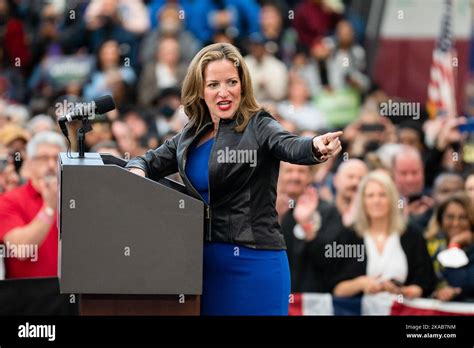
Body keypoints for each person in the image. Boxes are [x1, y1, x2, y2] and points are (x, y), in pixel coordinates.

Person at [126, 43, 343, 315]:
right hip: (204, 267)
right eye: (214, 84)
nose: (224, 92)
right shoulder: (190, 135)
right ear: (200, 90)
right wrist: (136, 173)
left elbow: (290, 145)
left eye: (232, 82)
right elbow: (146, 160)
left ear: (243, 85)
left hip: (256, 262)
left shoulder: (259, 125)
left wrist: (315, 146)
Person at [329, 171, 436, 299]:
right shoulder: (349, 236)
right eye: (370, 196)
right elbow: (337, 289)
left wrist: (405, 291)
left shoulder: (412, 235)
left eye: (382, 195)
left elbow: (426, 283)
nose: (376, 201)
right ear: (362, 201)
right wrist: (362, 283)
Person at [0, 131, 66, 278]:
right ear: (29, 163)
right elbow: (20, 249)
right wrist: (49, 208)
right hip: (28, 295)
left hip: (75, 293)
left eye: (56, 158)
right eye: (43, 158)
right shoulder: (9, 200)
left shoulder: (75, 198)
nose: (50, 165)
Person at [425, 193, 474, 302]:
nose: (455, 223)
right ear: (440, 219)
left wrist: (453, 246)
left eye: (463, 218)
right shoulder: (428, 245)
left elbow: (458, 282)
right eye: (450, 217)